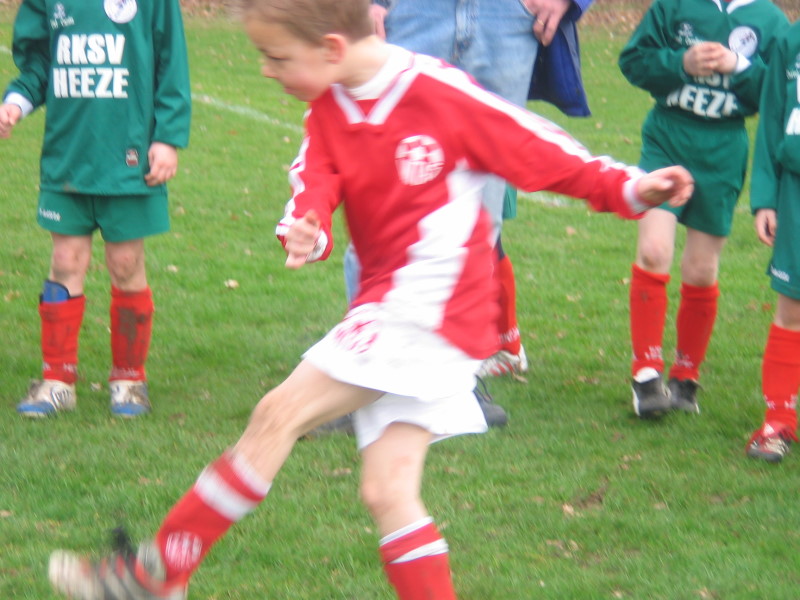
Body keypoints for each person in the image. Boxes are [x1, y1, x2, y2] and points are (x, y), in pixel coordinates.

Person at [45, 0, 693, 598]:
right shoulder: (330, 107)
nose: (267, 70)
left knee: (276, 415)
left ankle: (161, 573)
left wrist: (631, 188)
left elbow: (536, 149)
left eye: (276, 57)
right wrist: (307, 227)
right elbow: (314, 179)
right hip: (400, 308)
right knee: (388, 492)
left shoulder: (438, 93)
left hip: (430, 308)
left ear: (331, 48)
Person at [0, 0, 192, 418]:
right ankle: (57, 381)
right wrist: (16, 101)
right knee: (65, 260)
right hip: (68, 157)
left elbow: (171, 63)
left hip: (130, 160)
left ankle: (129, 379)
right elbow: (38, 64)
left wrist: (168, 137)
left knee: (125, 263)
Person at [618, 0, 789, 419]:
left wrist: (739, 66)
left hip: (723, 150)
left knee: (700, 268)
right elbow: (633, 61)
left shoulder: (770, 21)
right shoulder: (675, 6)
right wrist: (681, 62)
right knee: (654, 250)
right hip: (667, 137)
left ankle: (685, 375)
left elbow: (779, 96)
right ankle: (646, 374)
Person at [745, 20, 800, 463]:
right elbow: (771, 121)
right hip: (795, 191)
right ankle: (778, 421)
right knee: (792, 307)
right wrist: (765, 197)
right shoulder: (789, 41)